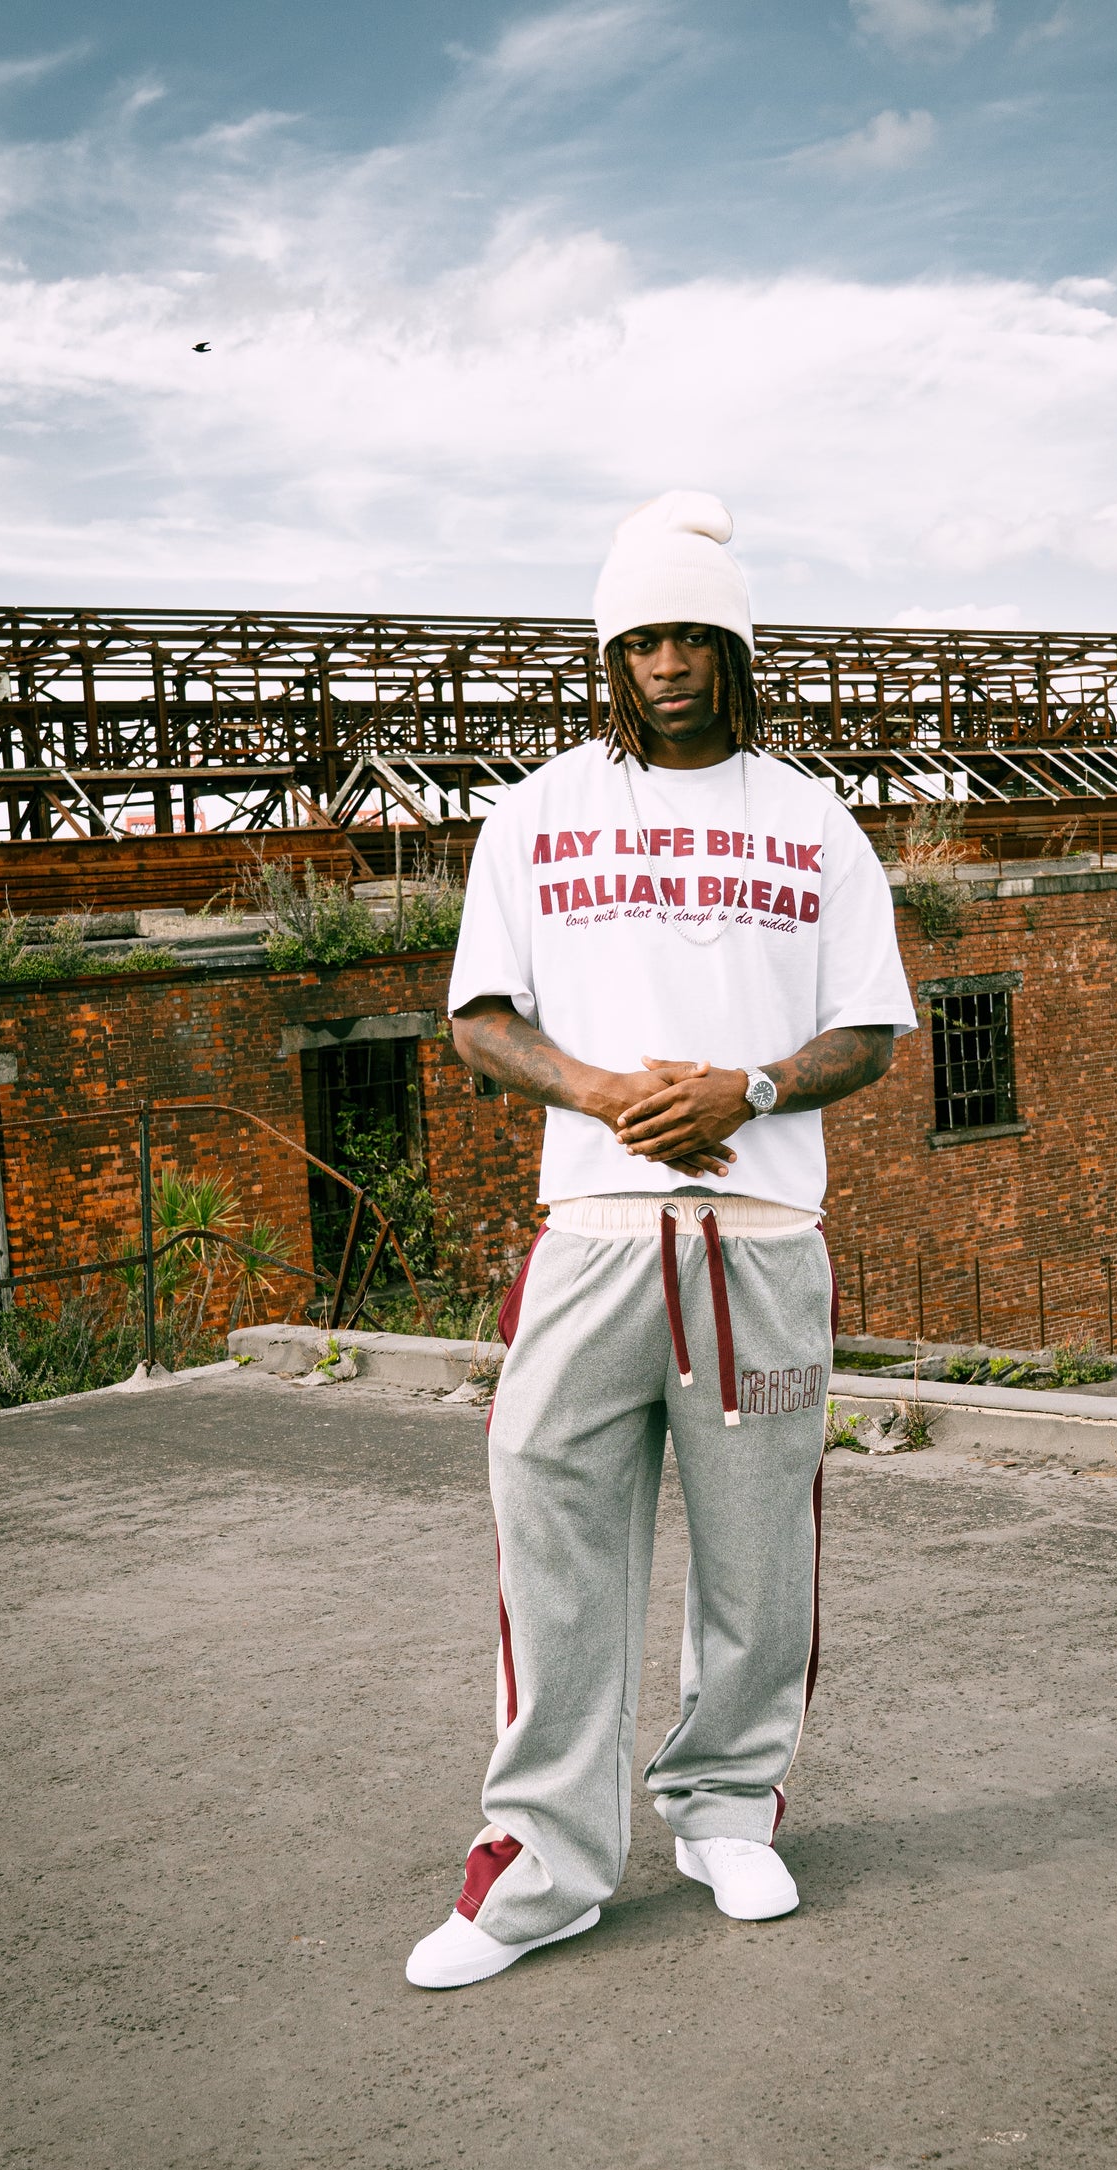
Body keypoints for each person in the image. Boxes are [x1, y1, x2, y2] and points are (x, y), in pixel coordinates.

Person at [405, 491, 916, 1989]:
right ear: (609, 655)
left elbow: (873, 1027)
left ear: (737, 650)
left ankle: (725, 1808)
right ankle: (547, 1866)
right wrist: (604, 1090)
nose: (671, 663)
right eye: (643, 639)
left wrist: (747, 1085)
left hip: (758, 1230)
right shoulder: (541, 810)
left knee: (758, 1542)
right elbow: (481, 1016)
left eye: (697, 636)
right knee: (551, 1522)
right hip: (599, 1229)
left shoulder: (811, 819)